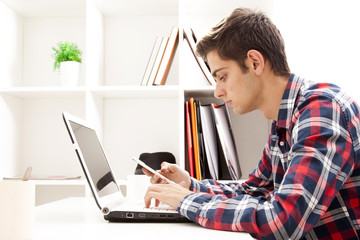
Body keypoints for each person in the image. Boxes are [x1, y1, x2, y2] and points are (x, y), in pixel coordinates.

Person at [143, 8, 360, 239]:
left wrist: (186, 201)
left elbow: (282, 221)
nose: (218, 91)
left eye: (222, 76)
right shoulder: (284, 121)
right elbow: (252, 190)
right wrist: (190, 185)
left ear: (255, 62)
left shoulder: (322, 110)